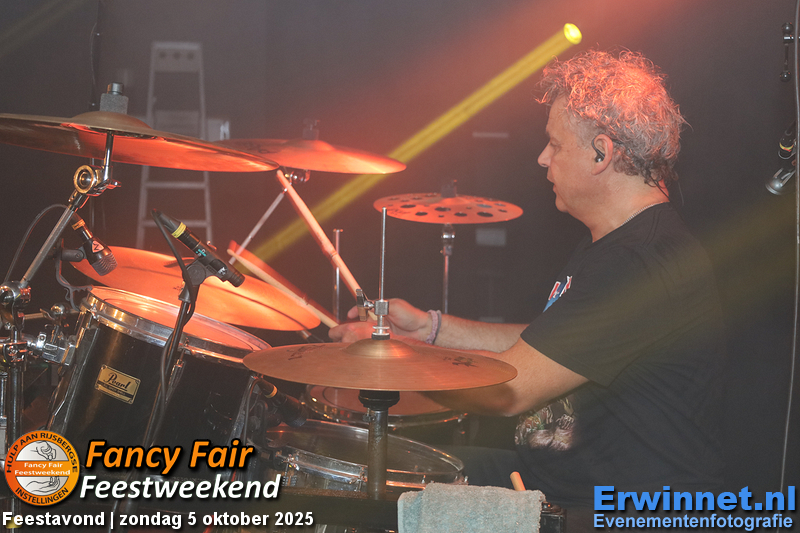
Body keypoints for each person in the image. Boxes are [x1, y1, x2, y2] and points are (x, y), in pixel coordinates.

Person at [330, 50, 725, 521]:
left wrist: (388, 354)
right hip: (556, 482)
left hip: (617, 513)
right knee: (378, 470)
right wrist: (430, 329)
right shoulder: (615, 243)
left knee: (371, 498)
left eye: (555, 144)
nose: (542, 158)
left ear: (601, 153)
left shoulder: (640, 261)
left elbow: (509, 390)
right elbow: (543, 347)